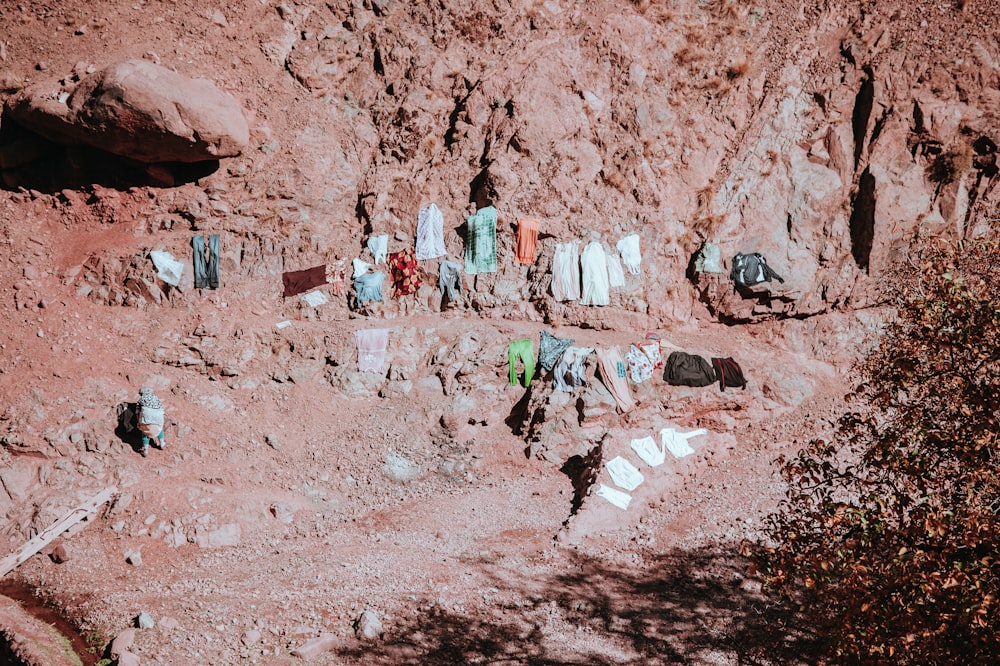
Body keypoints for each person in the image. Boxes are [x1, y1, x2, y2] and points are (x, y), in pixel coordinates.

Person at [136, 387, 166, 457]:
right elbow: (162, 409)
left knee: (145, 432)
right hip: (159, 419)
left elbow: (137, 412)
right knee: (159, 429)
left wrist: (139, 422)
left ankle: (145, 450)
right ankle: (162, 443)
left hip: (147, 419)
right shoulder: (156, 398)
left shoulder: (141, 399)